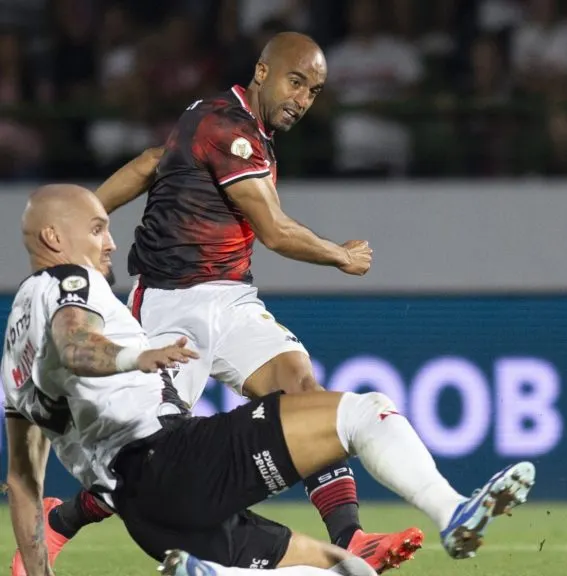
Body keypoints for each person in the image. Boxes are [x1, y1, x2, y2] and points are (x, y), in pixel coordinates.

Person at [14, 31, 420, 576]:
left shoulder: (233, 127)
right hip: (164, 302)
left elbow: (149, 161)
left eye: (314, 90)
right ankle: (61, 521)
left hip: (225, 299)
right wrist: (339, 256)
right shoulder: (219, 122)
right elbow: (272, 230)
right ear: (261, 72)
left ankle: (353, 537)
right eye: (295, 82)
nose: (302, 98)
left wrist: (87, 217)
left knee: (300, 385)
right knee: (148, 453)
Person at [3, 184, 536, 576]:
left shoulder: (13, 355)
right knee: (362, 411)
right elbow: (78, 345)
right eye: (97, 228)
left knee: (350, 570)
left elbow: (24, 486)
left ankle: (222, 574)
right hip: (173, 461)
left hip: (144, 515)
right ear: (54, 237)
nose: (110, 245)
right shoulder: (68, 280)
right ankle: (451, 510)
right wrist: (131, 359)